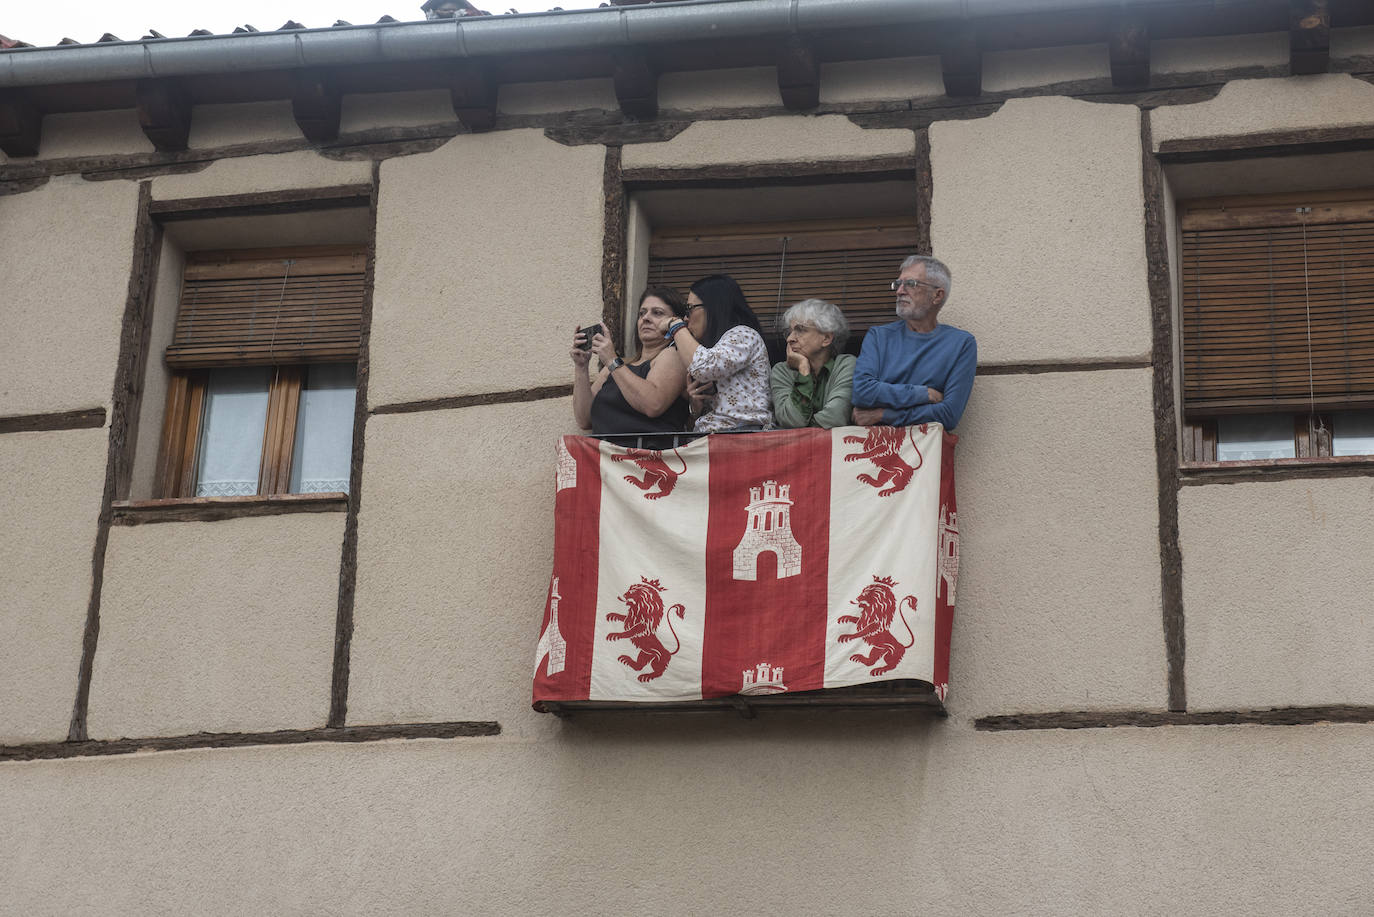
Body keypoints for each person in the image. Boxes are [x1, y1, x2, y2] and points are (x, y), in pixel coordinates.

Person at [852, 255, 976, 430]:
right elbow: (862, 392)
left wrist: (883, 414)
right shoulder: (879, 336)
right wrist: (921, 394)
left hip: (925, 454)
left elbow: (948, 414)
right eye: (898, 284)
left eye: (910, 284)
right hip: (876, 451)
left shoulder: (961, 344)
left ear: (937, 295)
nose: (899, 291)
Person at [571, 286, 690, 443]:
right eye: (642, 313)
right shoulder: (614, 367)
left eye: (657, 313)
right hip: (607, 462)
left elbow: (653, 404)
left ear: (675, 321)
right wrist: (581, 367)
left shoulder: (673, 354)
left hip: (648, 462)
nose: (646, 318)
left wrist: (612, 360)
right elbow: (584, 419)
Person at [656, 274, 772, 433]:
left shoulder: (744, 335)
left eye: (689, 309)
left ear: (713, 306)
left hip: (742, 439)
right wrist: (696, 407)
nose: (685, 318)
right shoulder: (715, 347)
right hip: (714, 441)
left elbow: (703, 367)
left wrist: (674, 325)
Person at [769, 298, 855, 429]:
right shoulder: (782, 371)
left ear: (826, 338)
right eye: (790, 332)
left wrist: (805, 428)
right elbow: (791, 421)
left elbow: (836, 417)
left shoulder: (846, 365)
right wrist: (803, 369)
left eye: (800, 330)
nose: (790, 338)